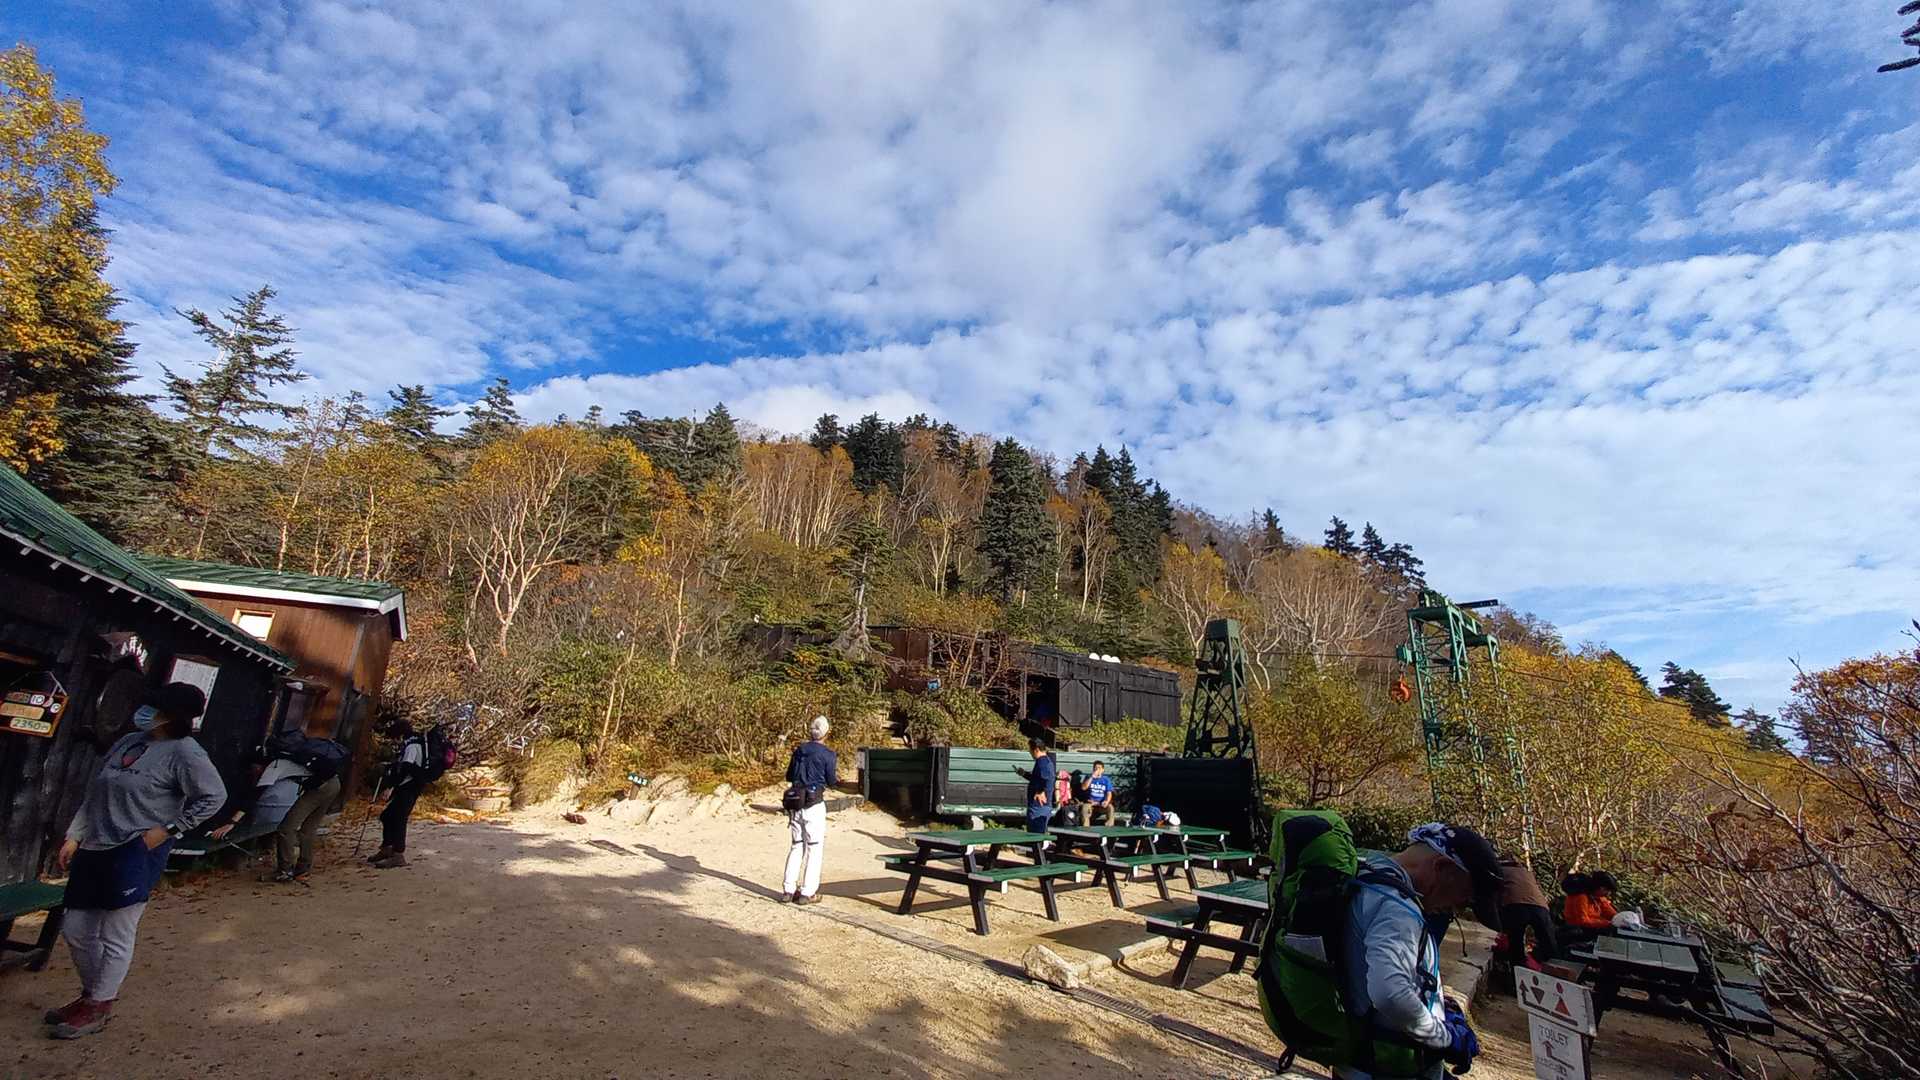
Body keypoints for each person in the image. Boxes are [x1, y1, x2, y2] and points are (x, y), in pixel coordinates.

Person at [46, 683, 226, 1040]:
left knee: (116, 932)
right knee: (76, 929)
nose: (144, 712)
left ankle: (98, 1004)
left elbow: (214, 797)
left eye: (154, 707)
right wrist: (75, 834)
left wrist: (168, 830)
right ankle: (93, 994)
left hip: (135, 849)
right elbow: (96, 791)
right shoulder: (129, 742)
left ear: (173, 715)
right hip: (95, 846)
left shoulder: (186, 753)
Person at [1338, 823, 1503, 1079]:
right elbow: (1389, 994)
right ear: (1442, 867)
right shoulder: (1397, 909)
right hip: (1386, 1066)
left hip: (1365, 1058)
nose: (1457, 908)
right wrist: (1446, 1038)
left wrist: (1436, 1004)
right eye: (1465, 895)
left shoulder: (1370, 875)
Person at [781, 715, 837, 905]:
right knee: (814, 847)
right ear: (826, 732)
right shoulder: (828, 754)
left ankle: (788, 890)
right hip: (814, 803)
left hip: (795, 803)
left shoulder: (799, 750)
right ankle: (808, 892)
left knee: (796, 845)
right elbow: (831, 781)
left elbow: (789, 775)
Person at [369, 718, 428, 869]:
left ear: (400, 734)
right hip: (407, 786)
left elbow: (406, 768)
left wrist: (391, 786)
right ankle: (387, 848)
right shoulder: (413, 742)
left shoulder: (412, 745)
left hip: (410, 787)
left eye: (395, 736)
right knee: (387, 816)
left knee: (399, 819)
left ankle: (398, 854)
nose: (394, 740)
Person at [1497, 858, 1557, 969]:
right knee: (1548, 941)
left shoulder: (1500, 870)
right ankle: (1553, 968)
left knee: (1516, 941)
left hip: (1515, 905)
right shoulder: (1527, 873)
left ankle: (1517, 970)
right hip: (1540, 906)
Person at [1013, 738, 1056, 836]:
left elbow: (1047, 778)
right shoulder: (1044, 761)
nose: (1030, 753)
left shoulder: (1042, 762)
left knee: (1035, 835)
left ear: (1036, 750)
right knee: (1036, 834)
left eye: (1030, 750)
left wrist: (1041, 791)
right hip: (1040, 806)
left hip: (1038, 806)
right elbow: (1037, 779)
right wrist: (1024, 774)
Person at [1078, 761, 1116, 826]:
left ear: (1103, 770)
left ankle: (1109, 827)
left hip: (1101, 804)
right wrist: (1092, 777)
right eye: (1095, 768)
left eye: (1099, 768)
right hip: (1090, 803)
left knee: (1110, 808)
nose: (1097, 770)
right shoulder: (1089, 778)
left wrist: (1107, 801)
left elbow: (1109, 793)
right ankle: (1085, 828)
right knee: (1085, 808)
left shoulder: (1106, 779)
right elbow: (1083, 788)